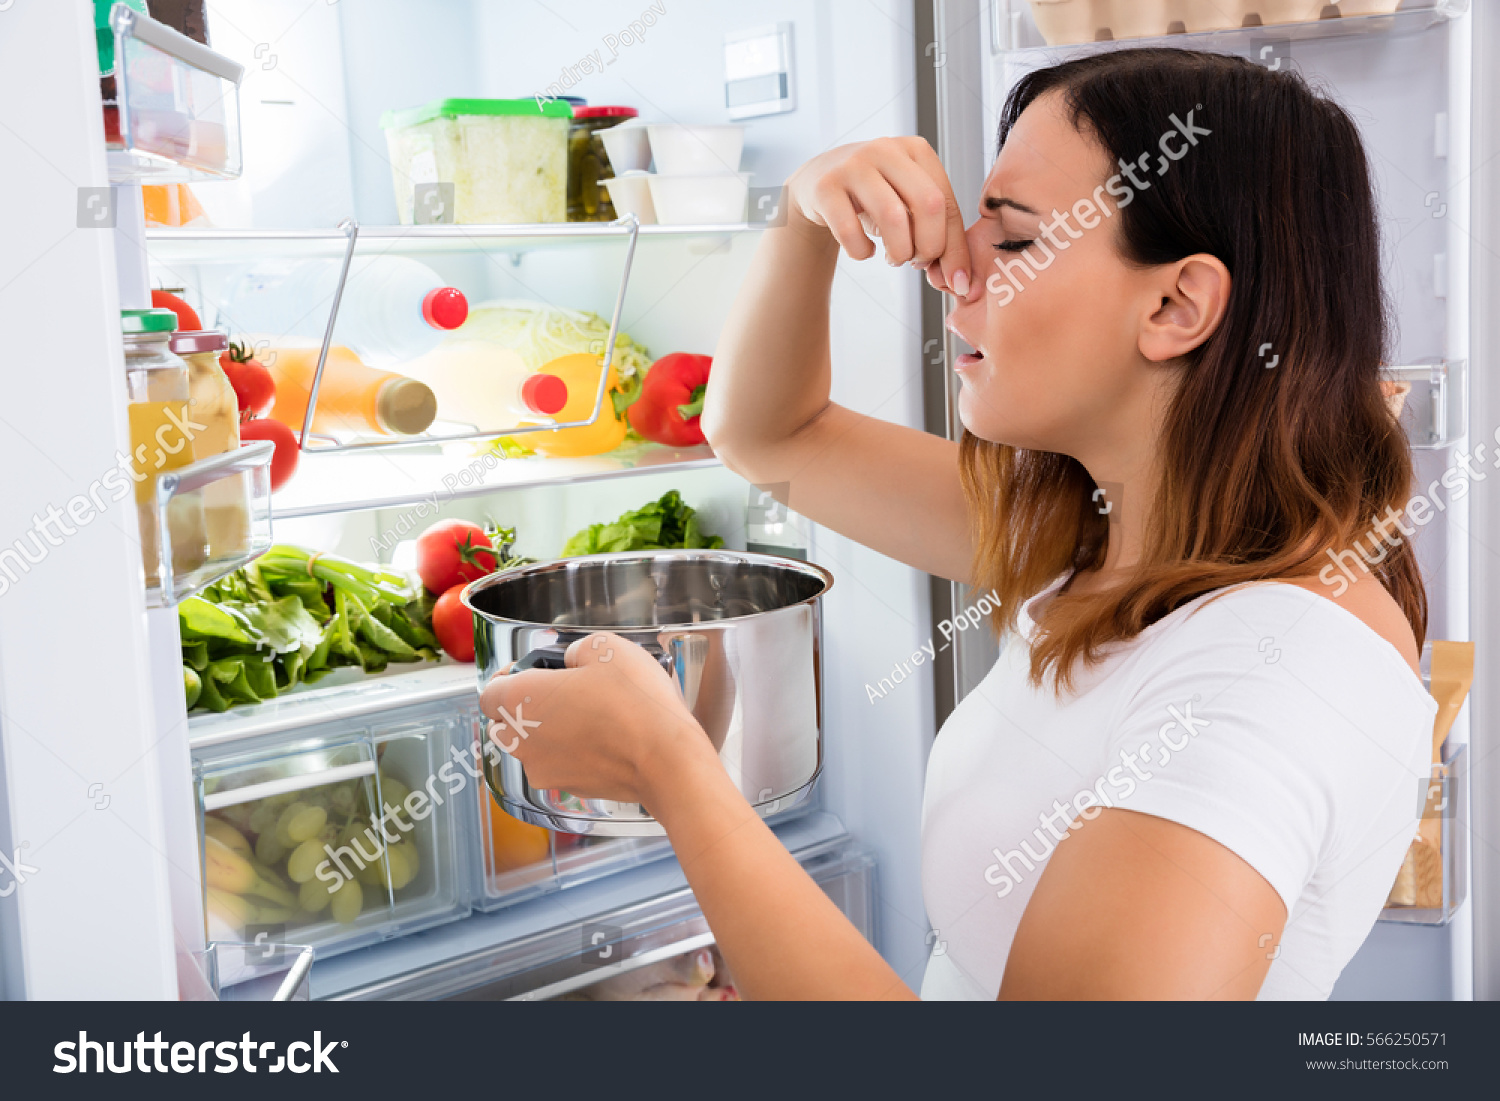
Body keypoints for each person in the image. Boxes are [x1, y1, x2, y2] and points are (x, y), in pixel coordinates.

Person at [479, 48, 1435, 1000]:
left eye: (1013, 241)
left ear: (1176, 303)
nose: (952, 266)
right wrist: (804, 218)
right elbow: (769, 431)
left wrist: (670, 766)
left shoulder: (1276, 667)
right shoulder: (1104, 536)